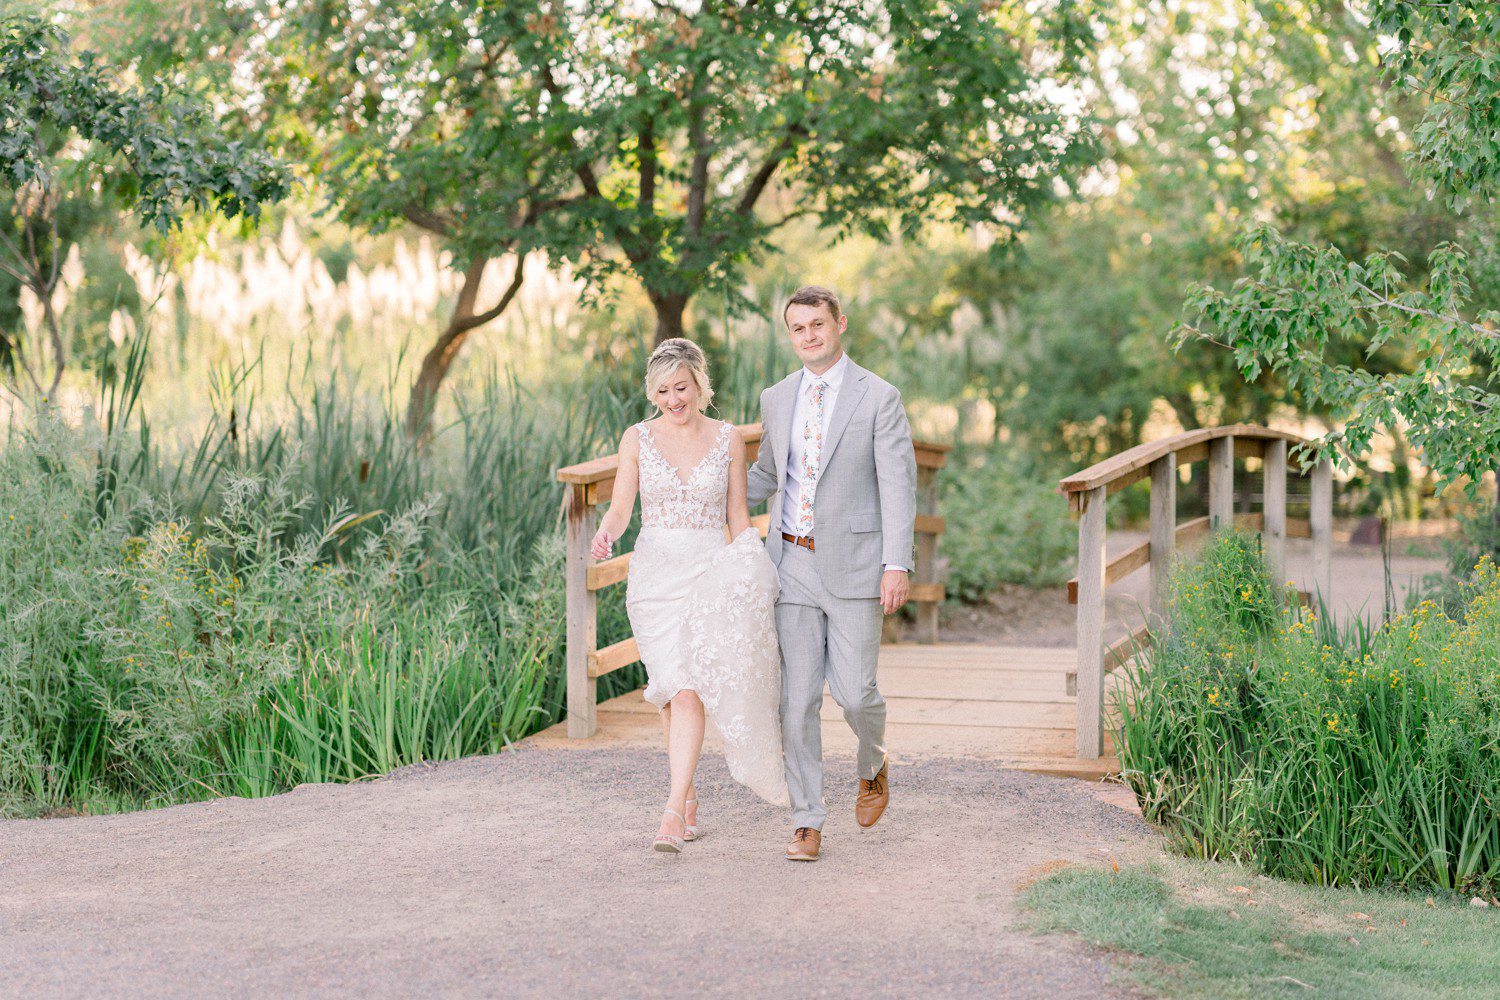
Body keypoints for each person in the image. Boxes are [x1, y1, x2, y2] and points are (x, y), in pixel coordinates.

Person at [590, 338, 789, 854]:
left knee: (687, 690)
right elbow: (621, 506)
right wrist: (606, 533)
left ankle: (673, 811)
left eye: (681, 387)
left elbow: (738, 516)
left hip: (709, 573)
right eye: (662, 390)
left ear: (701, 385)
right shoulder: (637, 437)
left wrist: (750, 566)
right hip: (654, 579)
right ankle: (690, 792)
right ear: (651, 392)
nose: (673, 399)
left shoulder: (728, 439)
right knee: (668, 687)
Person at [746, 285, 916, 862]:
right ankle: (807, 820)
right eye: (798, 328)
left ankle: (873, 763)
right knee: (796, 701)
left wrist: (897, 563)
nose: (809, 336)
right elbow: (766, 474)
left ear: (840, 323)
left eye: (818, 324)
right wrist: (694, 489)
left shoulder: (879, 396)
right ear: (789, 334)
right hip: (790, 561)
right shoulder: (775, 398)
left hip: (858, 566)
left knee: (854, 692)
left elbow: (897, 484)